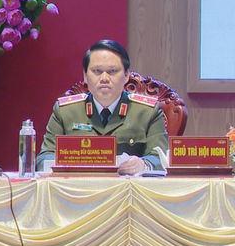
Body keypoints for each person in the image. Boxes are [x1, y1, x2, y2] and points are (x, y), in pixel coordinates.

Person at [37, 40, 168, 174]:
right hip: (78, 189)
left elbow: (161, 158)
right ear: (85, 76)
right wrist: (64, 164)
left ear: (127, 75)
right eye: (97, 71)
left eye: (112, 71)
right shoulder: (65, 111)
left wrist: (143, 164)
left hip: (127, 191)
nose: (104, 78)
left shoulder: (147, 111)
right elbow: (44, 158)